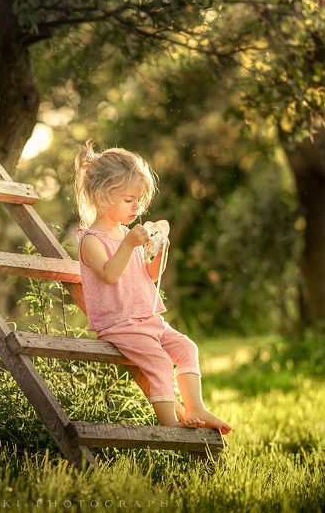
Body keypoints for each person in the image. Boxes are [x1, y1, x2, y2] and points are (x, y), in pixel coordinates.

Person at [74, 140, 231, 434]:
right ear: (102, 196)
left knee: (186, 348)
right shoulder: (91, 240)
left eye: (139, 200)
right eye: (129, 200)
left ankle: (196, 408)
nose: (138, 207)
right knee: (159, 362)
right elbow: (109, 274)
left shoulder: (128, 234)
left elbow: (149, 275)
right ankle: (169, 424)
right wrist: (129, 243)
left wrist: (160, 252)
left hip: (148, 318)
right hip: (119, 324)